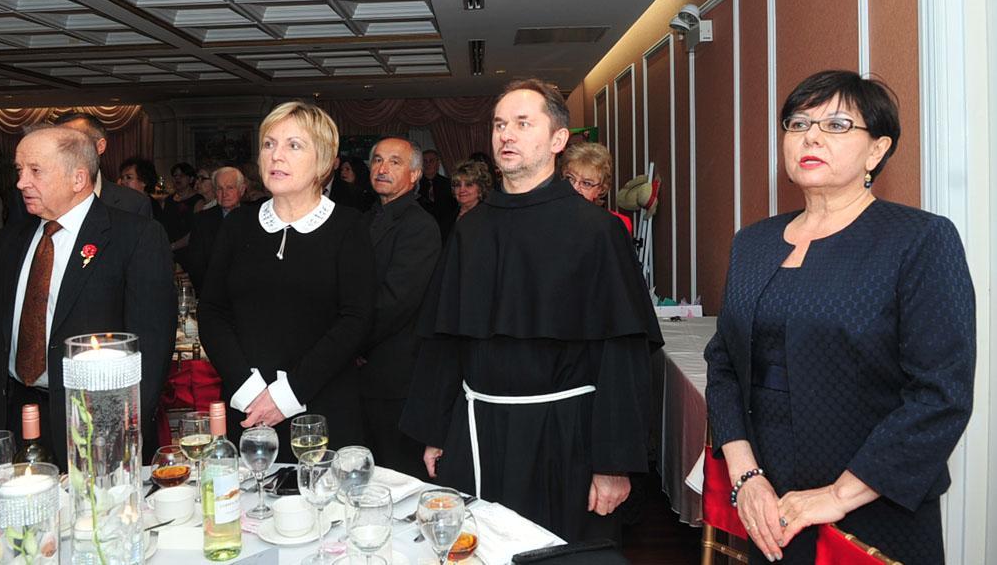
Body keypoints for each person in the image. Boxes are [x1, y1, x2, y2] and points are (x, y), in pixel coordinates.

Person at [704, 70, 975, 564]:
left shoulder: (918, 240)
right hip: (767, 502)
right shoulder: (753, 243)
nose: (810, 136)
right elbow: (723, 364)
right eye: (798, 123)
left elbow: (941, 394)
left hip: (873, 505)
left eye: (836, 125)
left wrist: (836, 496)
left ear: (877, 150)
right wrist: (746, 477)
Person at [400, 79, 662, 542]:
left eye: (523, 123)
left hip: (568, 436)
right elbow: (445, 341)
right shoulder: (470, 231)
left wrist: (614, 463)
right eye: (500, 124)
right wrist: (436, 430)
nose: (506, 134)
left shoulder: (597, 232)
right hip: (479, 430)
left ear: (558, 139)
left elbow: (622, 354)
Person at [0, 127, 177, 465]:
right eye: (19, 170)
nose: (21, 182)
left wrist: (120, 434)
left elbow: (152, 350)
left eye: (35, 171)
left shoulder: (135, 236)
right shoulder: (11, 239)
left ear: (78, 178)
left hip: (95, 426)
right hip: (15, 416)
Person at [199, 102, 375, 448]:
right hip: (247, 409)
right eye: (269, 144)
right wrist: (249, 389)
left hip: (322, 411)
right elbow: (211, 310)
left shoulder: (349, 227)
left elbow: (355, 321)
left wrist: (288, 394)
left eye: (293, 145)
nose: (276, 156)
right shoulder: (237, 225)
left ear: (322, 161)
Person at [360, 137, 441, 479]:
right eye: (378, 160)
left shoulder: (420, 227)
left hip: (395, 376)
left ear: (415, 174)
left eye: (395, 162)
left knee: (395, 478)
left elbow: (395, 302)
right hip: (360, 372)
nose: (382, 168)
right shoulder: (364, 218)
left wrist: (348, 342)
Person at [54, 111, 153, 219]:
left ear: (100, 146)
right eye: (58, 144)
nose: (63, 150)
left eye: (72, 141)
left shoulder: (134, 204)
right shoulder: (44, 198)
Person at [185, 166, 247, 296]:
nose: (224, 194)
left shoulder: (254, 218)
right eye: (219, 189)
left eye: (230, 188)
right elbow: (196, 265)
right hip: (213, 295)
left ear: (242, 190)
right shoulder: (202, 220)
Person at [561, 143, 633, 235]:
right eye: (570, 178)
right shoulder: (549, 215)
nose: (575, 188)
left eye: (586, 183)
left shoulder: (616, 224)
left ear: (601, 189)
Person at [158, 162, 202, 267]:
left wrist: (173, 246)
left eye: (181, 175)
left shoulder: (198, 201)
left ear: (191, 179)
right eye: (175, 176)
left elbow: (195, 232)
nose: (177, 178)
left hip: (188, 251)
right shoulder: (168, 200)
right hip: (168, 251)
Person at [417, 149, 458, 240]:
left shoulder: (449, 184)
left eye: (431, 161)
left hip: (446, 232)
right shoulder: (415, 186)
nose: (428, 164)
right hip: (422, 232)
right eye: (425, 161)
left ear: (438, 164)